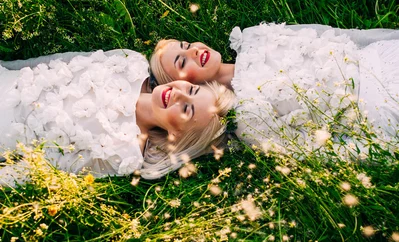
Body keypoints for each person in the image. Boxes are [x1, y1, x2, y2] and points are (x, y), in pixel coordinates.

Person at [150, 24, 399, 158]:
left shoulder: (253, 37)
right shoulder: (248, 118)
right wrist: (384, 151)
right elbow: (318, 150)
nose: (193, 51)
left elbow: (335, 34)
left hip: (382, 55)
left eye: (186, 45)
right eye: (182, 62)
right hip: (380, 108)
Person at [0, 49, 235, 187]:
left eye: (186, 109)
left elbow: (41, 168)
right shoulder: (131, 62)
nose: (178, 94)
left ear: (177, 135)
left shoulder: (124, 152)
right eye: (191, 90)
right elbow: (54, 63)